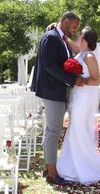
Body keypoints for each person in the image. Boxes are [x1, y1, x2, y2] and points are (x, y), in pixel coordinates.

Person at [31, 11, 87, 184]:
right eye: (74, 26)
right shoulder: (51, 37)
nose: (75, 30)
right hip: (51, 91)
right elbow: (49, 66)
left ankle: (49, 168)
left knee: (52, 131)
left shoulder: (59, 37)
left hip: (56, 91)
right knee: (53, 132)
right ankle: (52, 174)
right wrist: (72, 79)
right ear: (66, 21)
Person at [57, 26, 100, 185]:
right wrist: (62, 35)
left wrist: (81, 80)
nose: (77, 37)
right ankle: (71, 166)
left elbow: (96, 80)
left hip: (83, 98)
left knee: (77, 128)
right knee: (74, 128)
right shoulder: (81, 53)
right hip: (76, 96)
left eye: (80, 35)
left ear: (85, 40)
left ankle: (85, 166)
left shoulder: (89, 56)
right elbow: (73, 46)